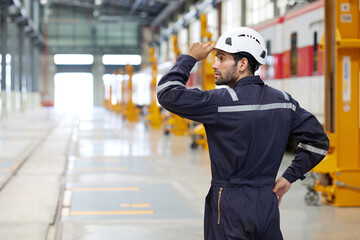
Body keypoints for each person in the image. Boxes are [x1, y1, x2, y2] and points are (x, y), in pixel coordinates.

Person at [156, 27, 329, 240]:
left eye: (221, 58)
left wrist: (189, 58)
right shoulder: (284, 102)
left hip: (228, 206)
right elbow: (318, 142)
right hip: (267, 203)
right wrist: (289, 177)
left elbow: (167, 93)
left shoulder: (220, 103)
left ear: (242, 64)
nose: (214, 65)